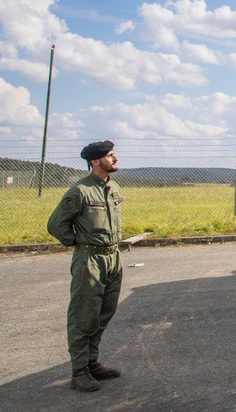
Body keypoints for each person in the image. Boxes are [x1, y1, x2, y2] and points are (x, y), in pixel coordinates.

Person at [47, 140, 124, 392]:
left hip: (113, 258)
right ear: (95, 161)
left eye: (113, 154)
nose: (114, 158)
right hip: (89, 260)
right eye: (109, 155)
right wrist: (79, 243)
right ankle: (79, 371)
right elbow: (56, 224)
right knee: (84, 315)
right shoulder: (80, 191)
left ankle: (92, 363)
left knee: (105, 311)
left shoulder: (113, 188)